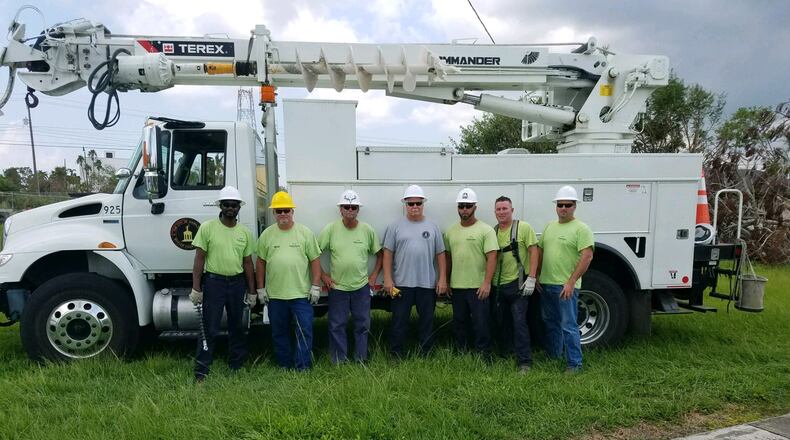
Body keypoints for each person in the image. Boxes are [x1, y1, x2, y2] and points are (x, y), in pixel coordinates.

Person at [189, 186, 256, 382]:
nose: (230, 208)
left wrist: (252, 291)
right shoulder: (207, 228)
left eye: (234, 205)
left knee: (237, 326)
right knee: (209, 328)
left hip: (237, 283)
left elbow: (248, 263)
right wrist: (196, 288)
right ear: (220, 206)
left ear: (239, 207)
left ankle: (236, 365)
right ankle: (201, 370)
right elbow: (199, 259)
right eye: (226, 204)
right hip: (214, 283)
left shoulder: (244, 232)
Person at [256, 191, 322, 370]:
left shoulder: (305, 233)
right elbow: (260, 262)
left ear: (293, 211)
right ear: (274, 213)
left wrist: (316, 286)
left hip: (301, 295)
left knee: (304, 331)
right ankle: (284, 365)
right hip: (276, 296)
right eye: (279, 211)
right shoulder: (267, 235)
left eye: (286, 210)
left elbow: (315, 261)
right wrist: (260, 289)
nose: (283, 214)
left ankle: (303, 367)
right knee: (279, 332)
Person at [382, 184, 447, 358]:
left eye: (418, 203)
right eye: (411, 204)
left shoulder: (433, 227)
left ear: (423, 204)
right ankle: (396, 354)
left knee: (427, 321)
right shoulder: (395, 226)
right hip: (401, 284)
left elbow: (441, 254)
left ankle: (426, 353)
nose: (415, 207)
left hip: (427, 284)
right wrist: (387, 279)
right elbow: (387, 254)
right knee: (399, 321)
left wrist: (442, 279)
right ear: (405, 204)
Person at [318, 189, 383, 364]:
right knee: (337, 325)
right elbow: (315, 254)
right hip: (337, 287)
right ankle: (339, 361)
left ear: (358, 210)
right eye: (346, 207)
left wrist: (374, 276)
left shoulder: (367, 230)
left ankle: (361, 359)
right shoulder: (330, 229)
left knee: (362, 325)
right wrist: (323, 276)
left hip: (361, 287)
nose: (350, 210)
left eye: (354, 207)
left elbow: (380, 254)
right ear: (340, 209)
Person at [538, 185, 594, 374]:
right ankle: (554, 355)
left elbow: (587, 257)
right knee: (551, 323)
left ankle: (575, 364)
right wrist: (537, 276)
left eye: (567, 205)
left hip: (565, 287)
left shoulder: (582, 229)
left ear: (575, 206)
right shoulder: (549, 227)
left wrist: (571, 282)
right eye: (560, 204)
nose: (563, 208)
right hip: (547, 284)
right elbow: (541, 251)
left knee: (568, 326)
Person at [443, 188, 498, 360]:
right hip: (457, 286)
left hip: (478, 287)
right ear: (457, 208)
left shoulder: (486, 230)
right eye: (461, 206)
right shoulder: (450, 232)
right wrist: (447, 280)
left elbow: (492, 257)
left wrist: (487, 283)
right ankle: (463, 354)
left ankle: (484, 356)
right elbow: (448, 258)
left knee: (481, 323)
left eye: (468, 206)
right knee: (460, 323)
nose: (464, 210)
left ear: (475, 207)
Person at [492, 196, 539, 374]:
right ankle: (507, 353)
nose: (502, 212)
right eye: (498, 209)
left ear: (512, 210)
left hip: (518, 284)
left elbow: (533, 251)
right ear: (495, 212)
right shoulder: (494, 231)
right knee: (502, 321)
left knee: (519, 322)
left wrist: (532, 277)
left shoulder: (523, 228)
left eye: (505, 208)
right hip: (499, 286)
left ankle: (524, 362)